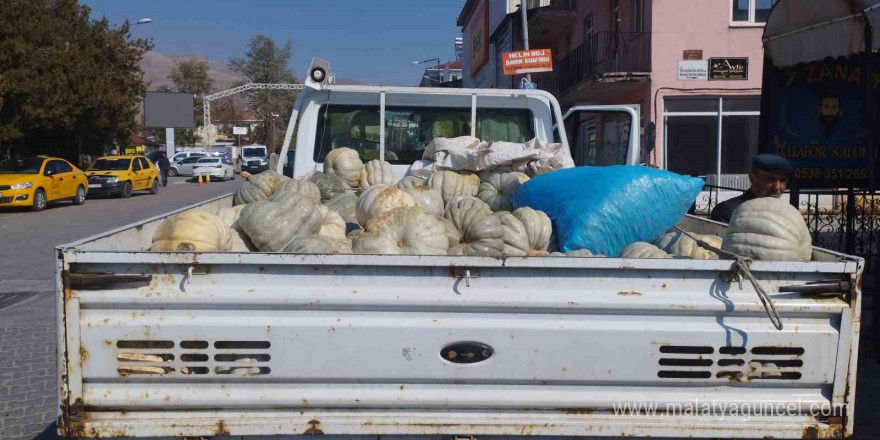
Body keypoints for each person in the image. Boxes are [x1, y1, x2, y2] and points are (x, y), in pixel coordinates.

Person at [709, 153, 793, 224]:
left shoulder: (788, 215)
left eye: (782, 180)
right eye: (770, 179)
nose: (777, 187)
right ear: (752, 178)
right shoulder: (729, 211)